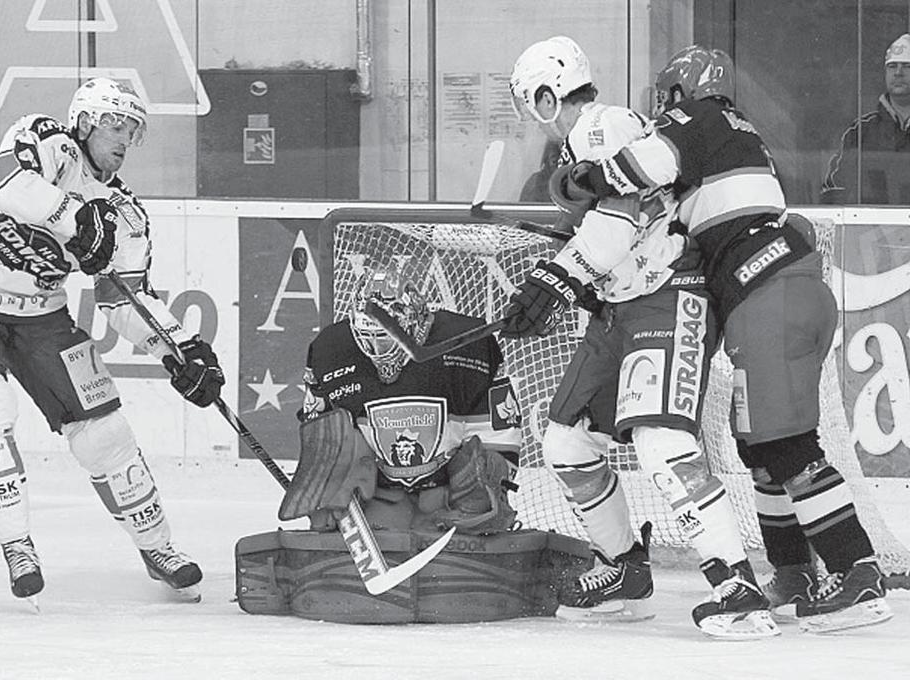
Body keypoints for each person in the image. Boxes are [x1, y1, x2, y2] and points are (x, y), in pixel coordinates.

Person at [569, 45, 893, 633]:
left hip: (768, 292)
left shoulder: (700, 119)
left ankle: (856, 573)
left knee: (788, 445)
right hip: (776, 292)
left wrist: (578, 178)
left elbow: (634, 170)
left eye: (668, 97)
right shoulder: (732, 134)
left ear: (682, 91)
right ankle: (794, 576)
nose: (662, 108)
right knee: (761, 448)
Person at [503, 36, 776, 639]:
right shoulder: (590, 140)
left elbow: (625, 212)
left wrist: (561, 275)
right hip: (619, 307)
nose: (533, 119)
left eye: (533, 104)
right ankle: (624, 567)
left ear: (548, 97)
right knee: (565, 443)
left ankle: (737, 585)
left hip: (669, 294)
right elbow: (615, 223)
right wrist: (569, 277)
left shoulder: (606, 127)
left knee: (659, 442)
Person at [0, 78, 225, 605]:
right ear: (84, 121)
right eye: (114, 123)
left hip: (41, 316)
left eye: (133, 129)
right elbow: (3, 183)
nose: (125, 137)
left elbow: (122, 299)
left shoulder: (126, 215)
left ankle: (159, 548)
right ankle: (17, 545)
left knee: (108, 433)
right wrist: (75, 216)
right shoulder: (46, 140)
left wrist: (179, 348)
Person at [288, 262, 522, 537]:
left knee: (477, 479)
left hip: (449, 498)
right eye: (367, 337)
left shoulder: (468, 342)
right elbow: (320, 431)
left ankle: (468, 516)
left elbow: (500, 426)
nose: (377, 350)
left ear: (413, 322)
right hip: (381, 492)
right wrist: (324, 478)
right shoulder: (330, 349)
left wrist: (489, 479)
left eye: (385, 338)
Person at [822, 33, 910, 204]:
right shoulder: (861, 130)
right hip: (870, 228)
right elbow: (833, 191)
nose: (898, 73)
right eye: (892, 66)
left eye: (907, 66)